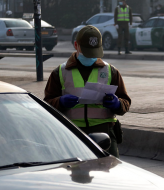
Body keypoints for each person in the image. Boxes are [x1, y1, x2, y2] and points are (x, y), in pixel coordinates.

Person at [44, 25, 131, 158]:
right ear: (76, 45)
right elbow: (46, 105)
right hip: (72, 133)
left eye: (94, 52)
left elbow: (125, 102)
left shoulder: (110, 71)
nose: (91, 56)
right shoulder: (60, 72)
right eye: (87, 51)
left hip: (105, 134)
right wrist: (60, 102)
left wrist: (117, 104)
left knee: (109, 173)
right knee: (76, 174)